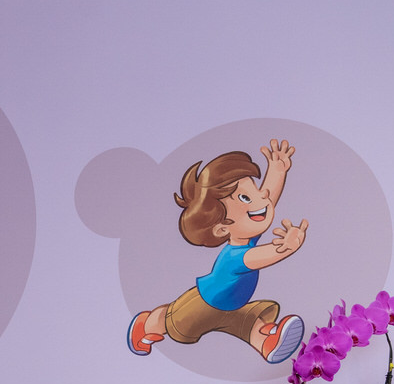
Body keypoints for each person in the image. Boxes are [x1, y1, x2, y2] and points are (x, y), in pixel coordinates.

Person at [126, 142, 307, 364]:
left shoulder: (247, 235)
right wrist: (287, 247)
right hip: (202, 306)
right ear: (222, 229)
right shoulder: (234, 258)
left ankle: (267, 343)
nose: (262, 197)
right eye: (245, 198)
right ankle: (144, 326)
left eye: (255, 190)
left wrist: (277, 171)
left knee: (248, 323)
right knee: (168, 320)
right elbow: (266, 254)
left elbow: (265, 203)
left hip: (233, 305)